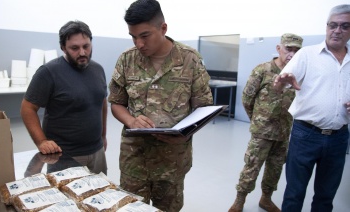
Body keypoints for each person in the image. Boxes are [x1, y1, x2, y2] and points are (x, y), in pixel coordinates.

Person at [107, 0, 213, 211]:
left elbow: (204, 107)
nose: (139, 43)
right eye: (133, 37)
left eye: (144, 36)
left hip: (172, 160)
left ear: (163, 28)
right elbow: (116, 103)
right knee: (133, 209)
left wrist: (186, 133)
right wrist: (130, 120)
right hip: (134, 158)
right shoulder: (126, 60)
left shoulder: (190, 60)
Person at [273, 4, 350, 211]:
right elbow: (278, 86)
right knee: (294, 194)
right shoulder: (307, 54)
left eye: (344, 26)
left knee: (326, 196)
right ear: (326, 27)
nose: (337, 30)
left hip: (339, 138)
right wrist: (281, 81)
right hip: (305, 135)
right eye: (333, 25)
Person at [20, 20, 108, 175]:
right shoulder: (48, 72)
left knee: (99, 196)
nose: (82, 52)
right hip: (64, 156)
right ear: (63, 48)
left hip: (97, 152)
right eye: (74, 48)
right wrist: (41, 141)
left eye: (86, 46)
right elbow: (28, 108)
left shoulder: (98, 69)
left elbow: (102, 102)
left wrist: (103, 136)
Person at [228, 33, 303, 212]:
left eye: (296, 50)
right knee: (251, 167)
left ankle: (265, 199)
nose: (292, 53)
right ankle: (239, 201)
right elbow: (247, 98)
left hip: (284, 131)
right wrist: (258, 120)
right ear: (279, 48)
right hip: (262, 131)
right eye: (288, 49)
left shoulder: (298, 72)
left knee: (275, 169)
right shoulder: (263, 70)